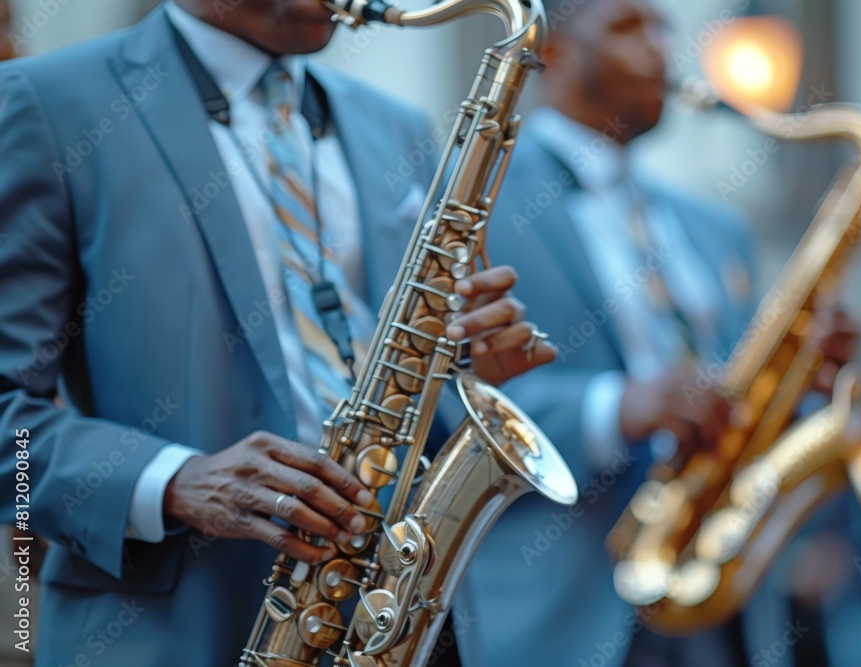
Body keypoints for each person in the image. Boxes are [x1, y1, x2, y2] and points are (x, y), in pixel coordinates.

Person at [0, 1, 556, 665]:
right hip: (170, 631)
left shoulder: (395, 124)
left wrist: (465, 367)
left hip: (384, 619)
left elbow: (392, 387)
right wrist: (175, 481)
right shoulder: (46, 102)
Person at [454, 0, 855, 665]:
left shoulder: (713, 225)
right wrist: (614, 406)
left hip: (720, 601)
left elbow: (744, 402)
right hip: (560, 607)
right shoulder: (473, 201)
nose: (660, 50)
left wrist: (803, 378)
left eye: (662, 28)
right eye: (625, 27)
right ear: (549, 50)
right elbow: (439, 400)